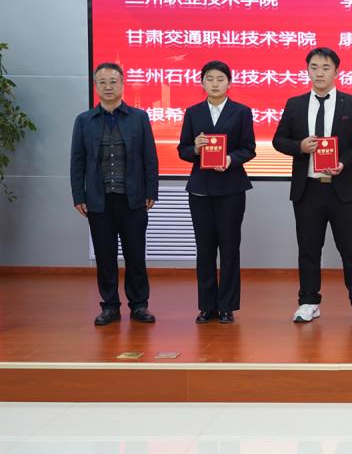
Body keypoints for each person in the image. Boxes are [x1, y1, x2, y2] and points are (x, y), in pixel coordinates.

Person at [273, 47, 352, 323]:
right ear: (307, 70)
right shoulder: (295, 104)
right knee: (308, 249)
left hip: (344, 188)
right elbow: (278, 140)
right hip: (308, 188)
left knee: (351, 249)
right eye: (314, 67)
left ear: (336, 72)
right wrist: (300, 146)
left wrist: (343, 161)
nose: (319, 72)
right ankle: (308, 302)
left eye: (326, 67)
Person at [71, 63, 158, 325]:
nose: (108, 86)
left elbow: (149, 157)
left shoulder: (139, 117)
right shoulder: (84, 120)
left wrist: (151, 191)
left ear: (122, 84)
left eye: (113, 81)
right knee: (105, 257)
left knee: (135, 256)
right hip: (99, 200)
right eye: (102, 82)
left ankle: (139, 306)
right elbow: (77, 161)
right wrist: (79, 196)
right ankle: (109, 306)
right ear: (95, 86)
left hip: (133, 198)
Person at [177, 61, 256, 324]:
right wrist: (196, 149)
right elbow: (183, 150)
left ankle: (227, 306)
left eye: (220, 79)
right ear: (202, 82)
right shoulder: (193, 112)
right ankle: (206, 306)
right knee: (205, 250)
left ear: (229, 83)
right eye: (209, 78)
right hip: (200, 190)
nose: (215, 83)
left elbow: (249, 148)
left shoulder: (241, 112)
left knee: (230, 249)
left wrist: (231, 159)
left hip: (231, 188)